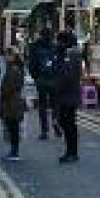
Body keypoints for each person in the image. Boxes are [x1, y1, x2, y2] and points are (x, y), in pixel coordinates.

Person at [52, 29, 83, 163]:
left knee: (68, 124)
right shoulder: (71, 54)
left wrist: (57, 86)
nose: (57, 44)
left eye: (59, 41)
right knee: (67, 123)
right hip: (69, 94)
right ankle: (70, 152)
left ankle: (72, 152)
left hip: (68, 95)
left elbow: (66, 75)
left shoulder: (70, 55)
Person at [28, 25, 57, 139]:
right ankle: (56, 124)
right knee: (55, 105)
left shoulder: (35, 46)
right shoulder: (55, 46)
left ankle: (44, 131)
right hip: (54, 80)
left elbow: (31, 65)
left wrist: (36, 78)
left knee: (42, 106)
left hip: (41, 80)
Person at [0, 49, 26, 160]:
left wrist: (3, 92)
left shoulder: (13, 70)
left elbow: (9, 87)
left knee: (13, 126)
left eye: (7, 55)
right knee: (12, 126)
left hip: (12, 102)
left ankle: (14, 152)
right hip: (13, 101)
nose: (5, 58)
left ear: (12, 56)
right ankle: (14, 151)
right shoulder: (15, 68)